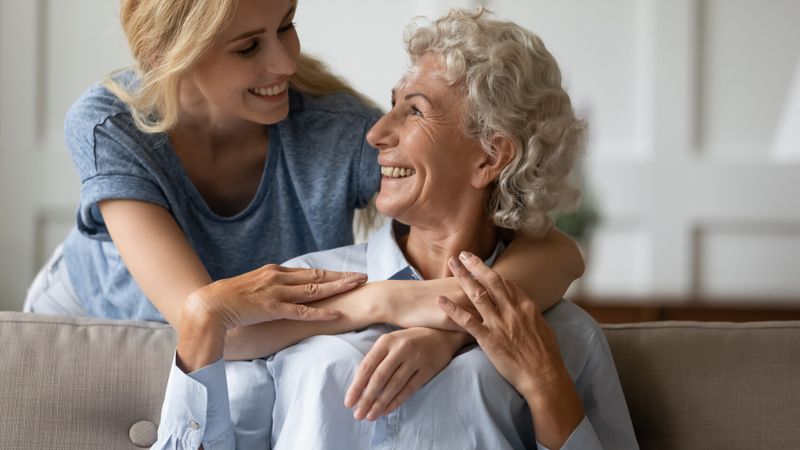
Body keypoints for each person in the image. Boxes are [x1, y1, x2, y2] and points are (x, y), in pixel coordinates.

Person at [155, 8, 638, 450]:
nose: (376, 133)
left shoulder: (565, 335)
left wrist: (543, 382)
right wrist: (203, 318)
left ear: (492, 156)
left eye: (414, 110)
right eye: (391, 105)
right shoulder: (302, 287)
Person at [24, 0, 583, 360]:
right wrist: (383, 303)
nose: (287, 63)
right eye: (249, 47)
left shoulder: (334, 130)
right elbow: (202, 315)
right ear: (170, 53)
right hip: (96, 321)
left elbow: (556, 254)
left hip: (252, 338)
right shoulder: (110, 123)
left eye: (286, 26)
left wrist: (447, 331)